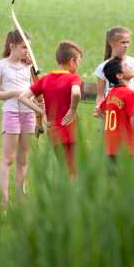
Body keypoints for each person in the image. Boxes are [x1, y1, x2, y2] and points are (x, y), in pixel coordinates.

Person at [19, 41, 83, 176]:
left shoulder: (45, 79)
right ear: (72, 61)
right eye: (79, 61)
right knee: (74, 171)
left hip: (54, 132)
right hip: (70, 130)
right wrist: (72, 109)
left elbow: (23, 97)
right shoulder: (73, 78)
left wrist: (40, 111)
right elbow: (76, 92)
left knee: (65, 168)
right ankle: (72, 195)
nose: (79, 65)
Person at [0, 30, 40, 205]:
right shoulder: (1, 66)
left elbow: (36, 89)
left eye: (29, 48)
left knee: (23, 158)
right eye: (24, 47)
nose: (27, 51)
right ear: (12, 47)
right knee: (8, 158)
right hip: (11, 113)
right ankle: (4, 200)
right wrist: (13, 93)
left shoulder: (29, 66)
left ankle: (21, 198)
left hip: (28, 114)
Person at [93, 27, 134, 128]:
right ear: (112, 44)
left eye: (128, 42)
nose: (126, 45)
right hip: (110, 115)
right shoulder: (102, 67)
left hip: (130, 114)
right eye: (123, 42)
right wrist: (98, 108)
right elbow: (100, 95)